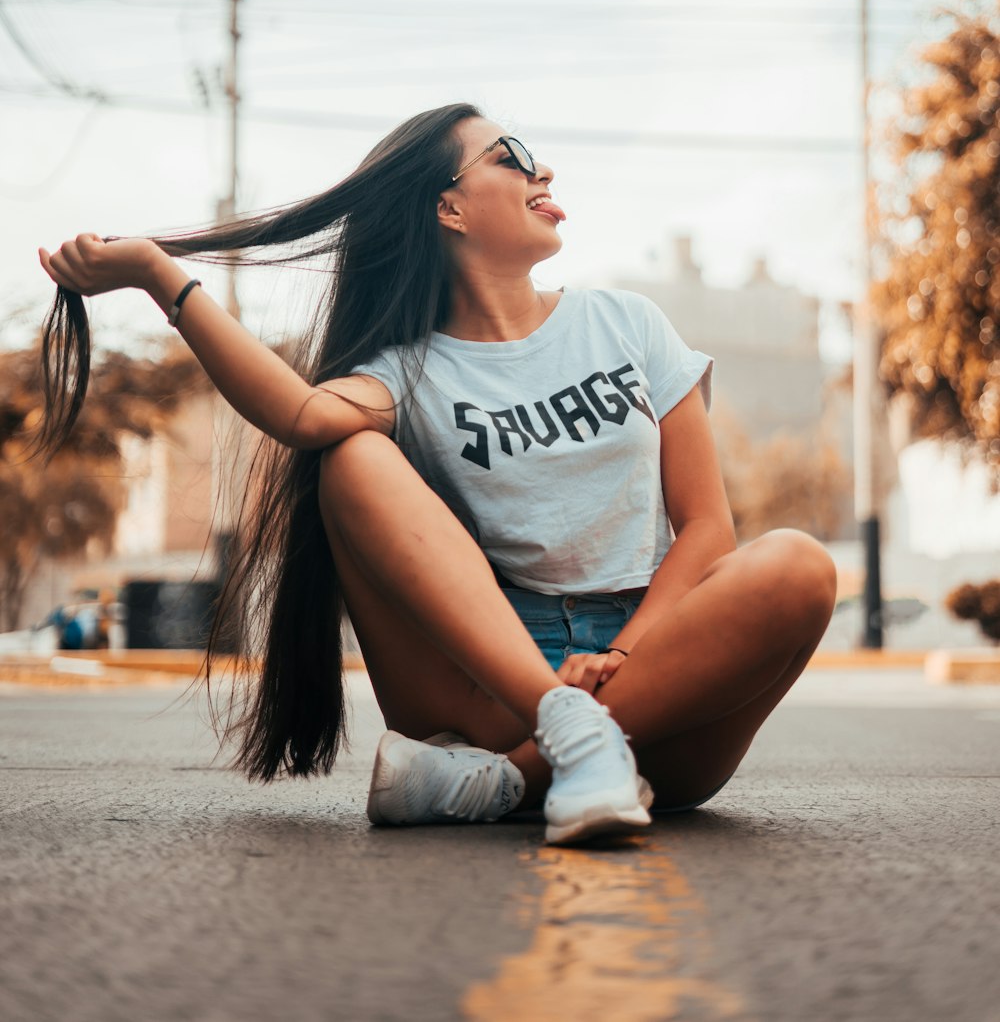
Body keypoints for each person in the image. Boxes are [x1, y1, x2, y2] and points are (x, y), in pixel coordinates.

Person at [38, 103, 837, 845]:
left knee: (797, 565)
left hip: (662, 695)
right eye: (510, 157)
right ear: (448, 209)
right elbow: (298, 415)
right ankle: (560, 737)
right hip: (489, 691)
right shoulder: (405, 372)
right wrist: (157, 274)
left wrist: (625, 663)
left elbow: (707, 529)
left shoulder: (626, 323)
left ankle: (506, 782)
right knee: (349, 455)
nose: (542, 173)